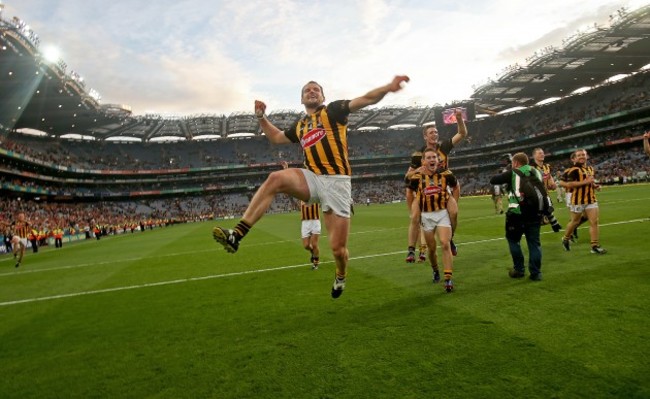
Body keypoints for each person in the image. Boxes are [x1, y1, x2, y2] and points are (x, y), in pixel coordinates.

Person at [213, 75, 410, 298]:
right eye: (307, 90)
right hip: (313, 178)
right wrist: (261, 118)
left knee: (337, 249)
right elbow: (276, 138)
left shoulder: (333, 111)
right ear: (301, 99)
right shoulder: (301, 125)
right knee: (275, 178)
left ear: (323, 96)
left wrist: (388, 87)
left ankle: (341, 274)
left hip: (337, 183)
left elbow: (364, 99)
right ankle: (236, 235)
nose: (312, 91)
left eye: (316, 89)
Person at [404, 109, 468, 259]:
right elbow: (407, 177)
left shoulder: (444, 147)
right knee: (417, 219)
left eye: (436, 132)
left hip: (443, 189)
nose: (435, 134)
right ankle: (415, 250)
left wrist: (459, 119)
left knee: (454, 213)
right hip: (424, 191)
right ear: (425, 136)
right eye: (431, 132)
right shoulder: (418, 155)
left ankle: (450, 239)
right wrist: (417, 170)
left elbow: (462, 134)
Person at [406, 148, 457, 292]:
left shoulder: (446, 174)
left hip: (442, 213)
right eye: (428, 157)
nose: (432, 159)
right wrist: (413, 210)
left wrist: (453, 201)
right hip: (426, 216)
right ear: (423, 161)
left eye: (434, 157)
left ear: (438, 159)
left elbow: (455, 186)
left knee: (445, 244)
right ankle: (435, 270)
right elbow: (408, 186)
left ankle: (448, 279)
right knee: (432, 250)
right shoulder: (417, 177)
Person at [490, 152, 544, 281]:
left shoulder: (512, 173)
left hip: (516, 213)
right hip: (535, 212)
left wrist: (507, 170)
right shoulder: (537, 172)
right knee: (534, 244)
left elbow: (493, 180)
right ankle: (536, 273)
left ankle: (519, 269)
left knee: (513, 241)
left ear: (515, 163)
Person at [559, 149, 607, 254]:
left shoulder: (590, 169)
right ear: (575, 158)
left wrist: (595, 186)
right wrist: (586, 182)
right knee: (575, 221)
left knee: (594, 221)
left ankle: (594, 246)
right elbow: (570, 184)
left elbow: (590, 182)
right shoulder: (573, 170)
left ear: (587, 156)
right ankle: (566, 238)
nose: (581, 156)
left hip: (591, 199)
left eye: (583, 155)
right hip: (577, 200)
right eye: (579, 155)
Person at [281, 160, 321, 270]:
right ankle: (313, 253)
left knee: (315, 244)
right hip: (305, 221)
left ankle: (315, 263)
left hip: (315, 220)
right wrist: (286, 169)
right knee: (306, 246)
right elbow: (291, 183)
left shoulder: (317, 186)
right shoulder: (300, 188)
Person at [530, 148, 562, 232]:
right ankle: (554, 222)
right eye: (539, 153)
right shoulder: (531, 168)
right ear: (534, 156)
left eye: (543, 153)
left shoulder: (547, 166)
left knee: (548, 208)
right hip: (535, 195)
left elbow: (549, 177)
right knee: (543, 211)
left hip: (545, 193)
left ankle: (553, 223)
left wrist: (552, 184)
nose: (542, 154)